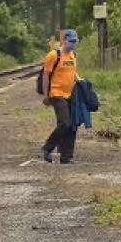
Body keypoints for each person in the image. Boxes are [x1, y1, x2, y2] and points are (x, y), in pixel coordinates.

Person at [40, 29, 79, 164]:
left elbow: (73, 73)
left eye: (75, 41)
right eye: (71, 41)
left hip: (70, 94)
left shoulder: (73, 55)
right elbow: (46, 75)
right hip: (56, 93)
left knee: (72, 125)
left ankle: (66, 156)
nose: (73, 44)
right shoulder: (53, 55)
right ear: (64, 41)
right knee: (64, 123)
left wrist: (81, 82)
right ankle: (47, 148)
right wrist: (46, 95)